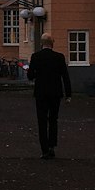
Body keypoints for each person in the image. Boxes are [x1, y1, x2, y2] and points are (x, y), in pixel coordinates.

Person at [26, 31, 72, 160]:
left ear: (42, 44)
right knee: (53, 119)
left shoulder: (36, 56)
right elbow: (65, 76)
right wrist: (68, 94)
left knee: (42, 120)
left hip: (41, 93)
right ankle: (52, 146)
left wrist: (32, 73)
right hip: (55, 93)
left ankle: (44, 149)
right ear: (52, 44)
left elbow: (31, 76)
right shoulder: (59, 57)